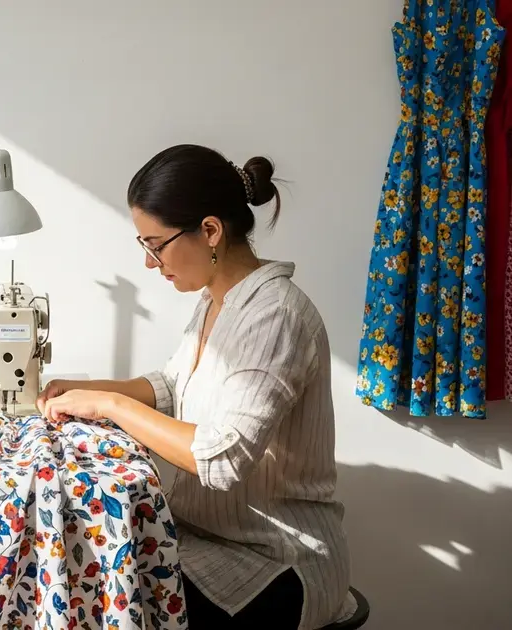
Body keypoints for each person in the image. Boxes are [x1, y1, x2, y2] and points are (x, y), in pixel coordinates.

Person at [37, 144, 351, 629]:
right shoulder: (216, 301)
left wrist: (110, 403)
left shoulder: (276, 316)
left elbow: (221, 458)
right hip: (207, 536)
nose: (149, 262)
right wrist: (81, 389)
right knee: (81, 570)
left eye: (155, 245)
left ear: (209, 230)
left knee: (96, 594)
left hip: (278, 561)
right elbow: (172, 385)